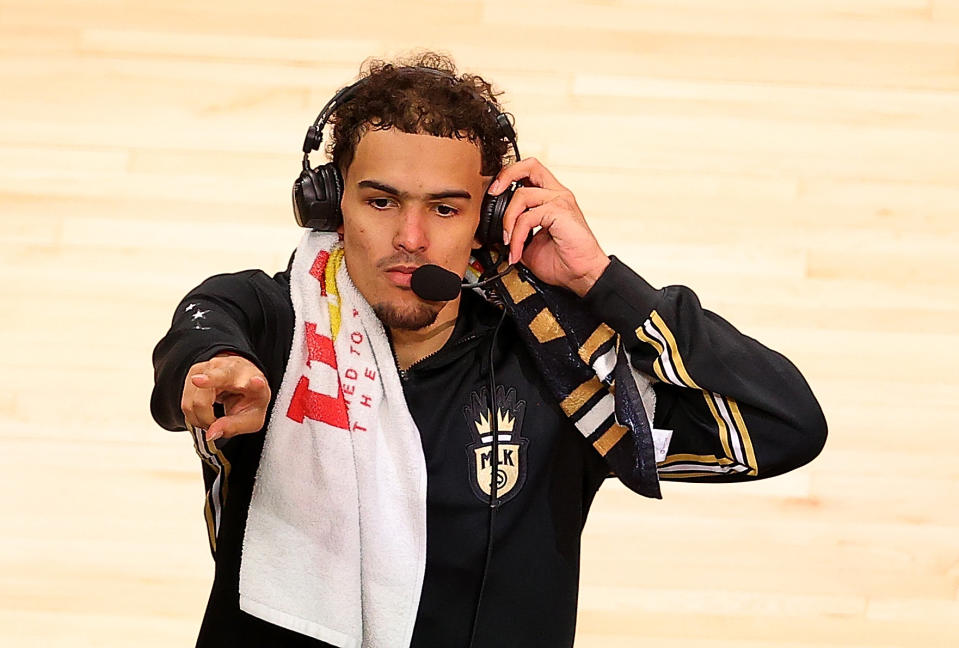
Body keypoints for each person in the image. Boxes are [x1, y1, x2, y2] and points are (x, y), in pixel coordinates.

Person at [151, 52, 827, 648]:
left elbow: (781, 426)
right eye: (380, 201)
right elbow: (202, 335)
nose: (410, 237)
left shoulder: (559, 363)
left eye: (445, 209)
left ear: (492, 216)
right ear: (330, 204)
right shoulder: (272, 327)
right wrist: (213, 370)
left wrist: (599, 279)